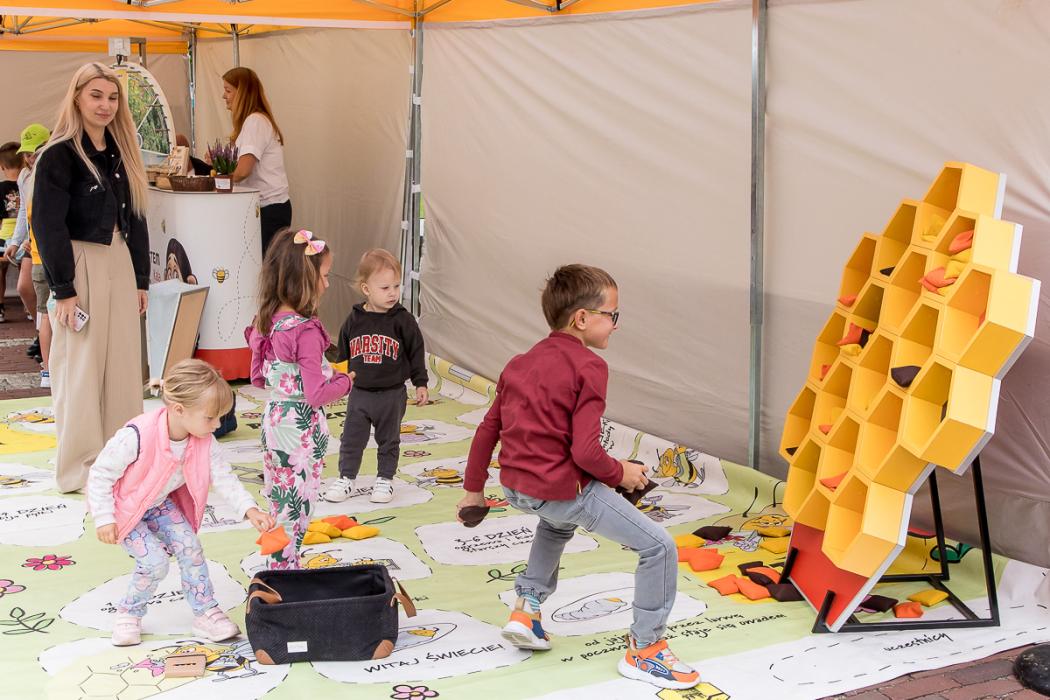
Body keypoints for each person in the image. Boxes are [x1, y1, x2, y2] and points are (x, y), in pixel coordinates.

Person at [458, 264, 700, 691]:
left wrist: (473, 491)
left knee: (555, 525)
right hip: (561, 489)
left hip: (517, 487)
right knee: (658, 547)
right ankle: (646, 649)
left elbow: (487, 429)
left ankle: (527, 609)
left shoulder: (519, 363)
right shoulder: (589, 366)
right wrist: (622, 473)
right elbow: (585, 452)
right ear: (583, 318)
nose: (616, 324)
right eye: (612, 314)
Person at [87, 359, 275, 646]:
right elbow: (100, 474)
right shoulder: (137, 435)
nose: (216, 426)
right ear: (178, 410)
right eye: (210, 418)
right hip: (125, 510)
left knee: (191, 548)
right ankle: (129, 612)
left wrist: (249, 509)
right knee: (154, 563)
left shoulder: (204, 439)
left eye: (220, 418)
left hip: (159, 505)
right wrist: (104, 518)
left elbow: (223, 476)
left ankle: (205, 612)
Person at [33, 64, 151, 493]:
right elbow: (47, 225)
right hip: (78, 261)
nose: (106, 105)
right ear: (78, 97)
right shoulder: (58, 155)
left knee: (123, 366)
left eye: (113, 97)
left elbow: (137, 217)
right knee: (80, 368)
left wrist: (141, 279)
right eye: (96, 95)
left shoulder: (122, 152)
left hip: (119, 260)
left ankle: (121, 461)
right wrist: (63, 289)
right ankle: (82, 469)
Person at [246, 228, 352, 569]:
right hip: (299, 430)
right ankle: (283, 574)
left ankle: (279, 567)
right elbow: (316, 393)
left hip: (275, 421)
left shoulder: (268, 322)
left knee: (280, 503)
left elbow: (258, 377)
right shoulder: (304, 330)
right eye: (324, 276)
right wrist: (345, 382)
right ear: (303, 279)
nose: (327, 284)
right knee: (297, 508)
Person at [324, 249, 429, 505]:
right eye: (384, 288)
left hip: (391, 394)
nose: (392, 293)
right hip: (360, 393)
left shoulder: (403, 320)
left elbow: (416, 352)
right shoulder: (354, 320)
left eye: (396, 286)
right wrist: (338, 382)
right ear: (366, 289)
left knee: (388, 440)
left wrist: (421, 383)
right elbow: (343, 353)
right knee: (351, 438)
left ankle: (385, 479)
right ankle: (346, 478)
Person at [220, 67, 290, 254]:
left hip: (269, 210)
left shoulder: (255, 121)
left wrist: (217, 182)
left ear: (242, 93)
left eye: (228, 90)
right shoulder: (253, 122)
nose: (224, 96)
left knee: (264, 266)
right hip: (268, 208)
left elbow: (243, 171)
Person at [5, 124, 51, 377]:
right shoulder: (24, 176)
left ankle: (45, 338)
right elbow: (25, 210)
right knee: (25, 288)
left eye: (35, 152)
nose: (30, 157)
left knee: (45, 296)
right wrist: (15, 240)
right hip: (32, 241)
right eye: (27, 153)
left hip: (45, 242)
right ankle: (42, 333)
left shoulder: (53, 169)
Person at [0, 141, 20, 323]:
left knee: (0, 272)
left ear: (2, 166)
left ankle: (0, 308)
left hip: (4, 235)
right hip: (25, 236)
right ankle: (30, 307)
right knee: (26, 270)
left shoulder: (0, 188)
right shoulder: (28, 184)